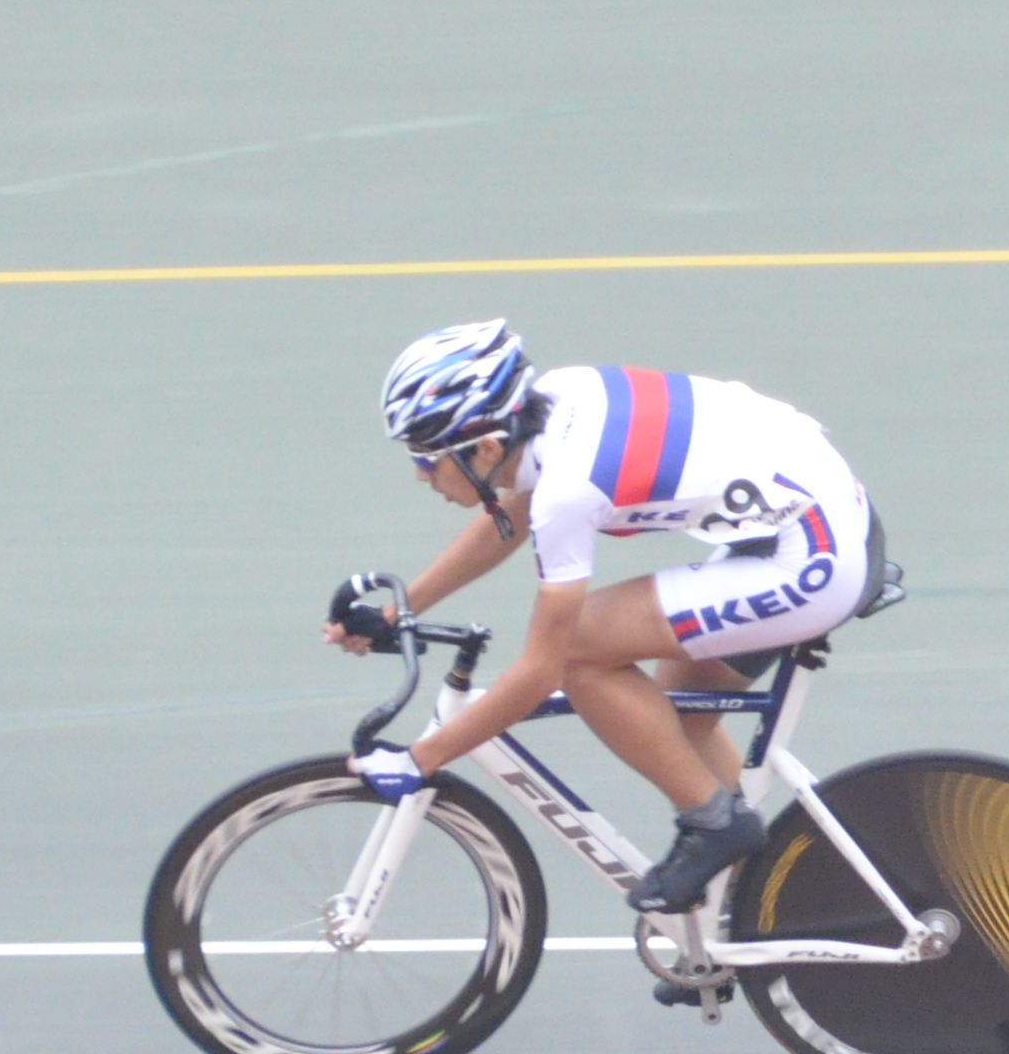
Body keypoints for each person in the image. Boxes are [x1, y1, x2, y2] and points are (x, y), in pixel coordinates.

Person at [327, 319, 882, 911]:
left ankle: (716, 826)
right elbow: (508, 515)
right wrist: (398, 611)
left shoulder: (570, 488)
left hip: (810, 556)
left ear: (487, 447)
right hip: (806, 518)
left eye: (428, 457)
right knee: (673, 728)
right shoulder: (556, 399)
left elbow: (544, 669)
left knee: (581, 649)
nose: (419, 473)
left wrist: (421, 759)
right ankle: (752, 909)